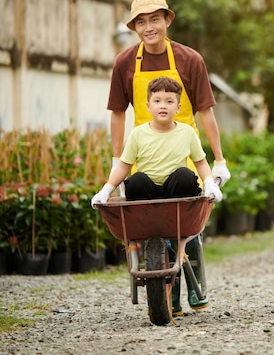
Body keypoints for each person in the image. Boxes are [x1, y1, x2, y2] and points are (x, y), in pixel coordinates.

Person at [107, 0, 231, 316]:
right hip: (144, 156)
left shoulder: (190, 60)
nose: (149, 27)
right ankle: (167, 294)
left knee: (188, 223)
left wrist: (218, 160)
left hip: (183, 154)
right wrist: (116, 160)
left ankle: (196, 284)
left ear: (167, 20)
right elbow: (118, 113)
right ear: (134, 27)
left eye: (155, 19)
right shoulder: (124, 63)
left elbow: (206, 112)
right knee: (152, 222)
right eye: (141, 22)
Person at [92, 77, 222, 316]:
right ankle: (169, 292)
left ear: (179, 107)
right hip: (148, 199)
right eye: (158, 100)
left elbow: (201, 162)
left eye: (170, 101)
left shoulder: (186, 133)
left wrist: (210, 185)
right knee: (137, 179)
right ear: (148, 106)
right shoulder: (139, 134)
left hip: (178, 196)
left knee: (184, 174)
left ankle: (189, 288)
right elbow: (124, 166)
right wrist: (106, 190)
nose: (163, 105)